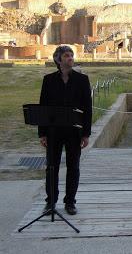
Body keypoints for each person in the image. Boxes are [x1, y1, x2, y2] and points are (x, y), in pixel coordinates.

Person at [39, 45, 92, 215]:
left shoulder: (82, 80)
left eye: (71, 55)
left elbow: (87, 108)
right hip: (54, 131)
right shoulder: (48, 80)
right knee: (51, 168)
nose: (70, 58)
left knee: (73, 167)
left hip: (74, 131)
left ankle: (70, 202)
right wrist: (42, 133)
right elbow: (43, 107)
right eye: (67, 55)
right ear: (58, 59)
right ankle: (51, 202)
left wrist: (86, 133)